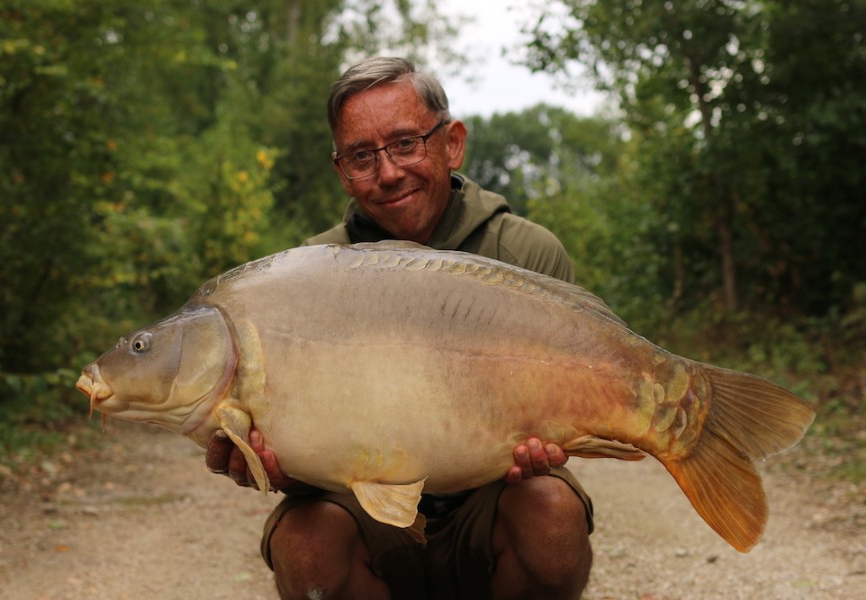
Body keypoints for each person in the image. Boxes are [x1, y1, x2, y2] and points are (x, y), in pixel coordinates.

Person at [205, 56, 594, 600]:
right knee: (306, 544)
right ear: (342, 171)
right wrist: (281, 468)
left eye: (406, 143)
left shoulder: (524, 253)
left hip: (491, 504)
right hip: (365, 518)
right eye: (362, 156)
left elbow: (568, 408)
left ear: (452, 143)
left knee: (550, 512)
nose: (388, 173)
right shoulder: (306, 276)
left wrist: (554, 438)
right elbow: (308, 449)